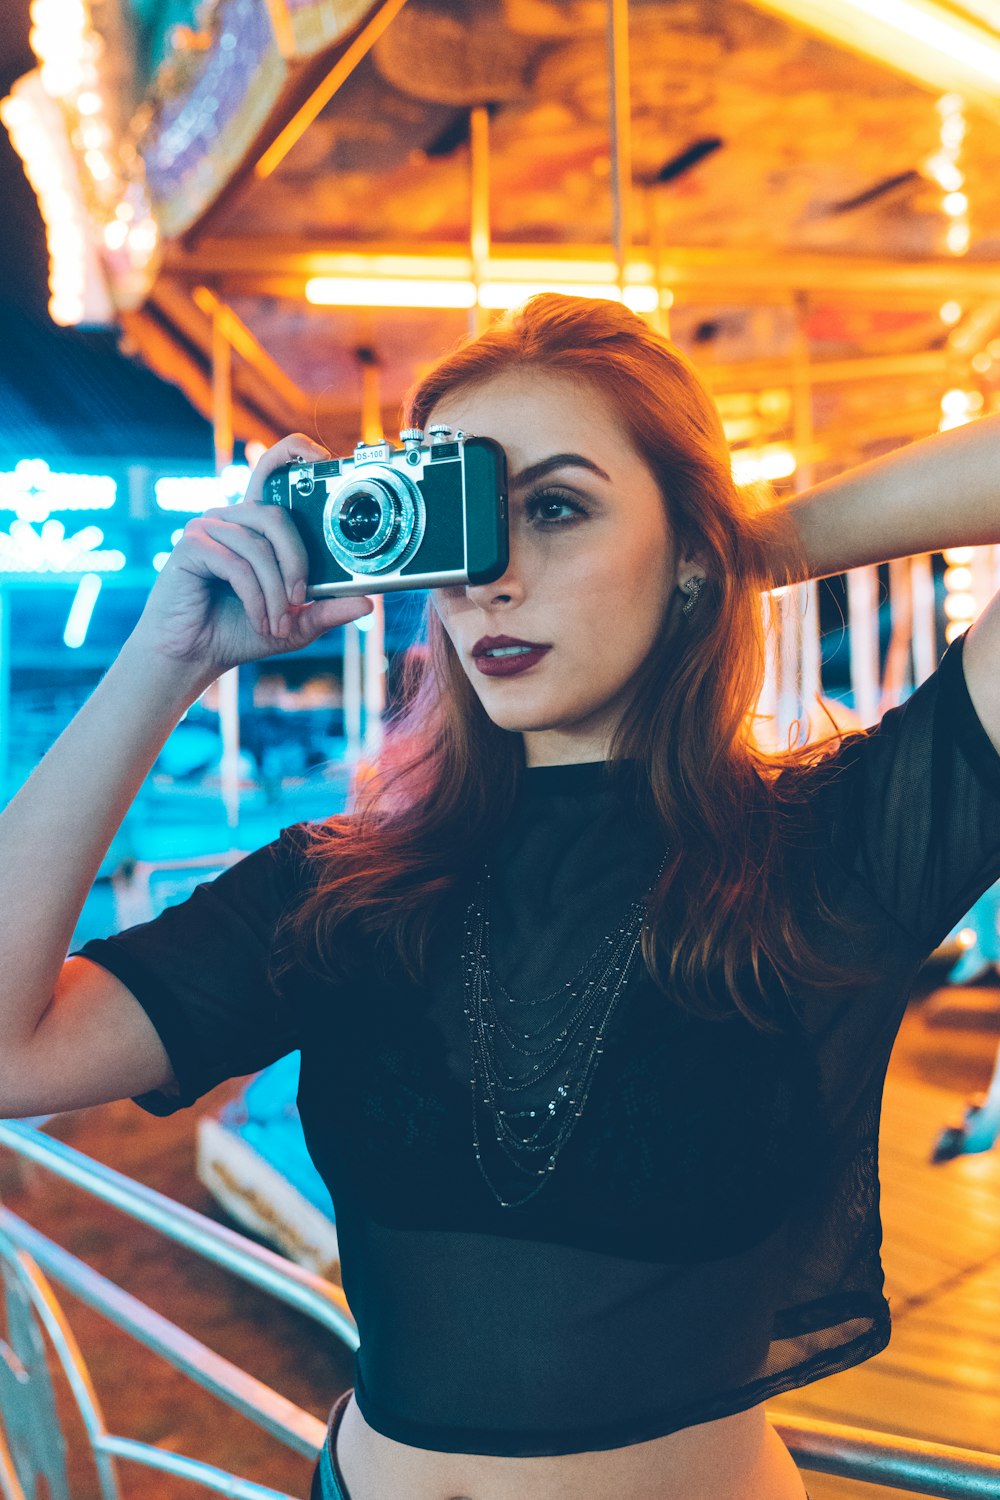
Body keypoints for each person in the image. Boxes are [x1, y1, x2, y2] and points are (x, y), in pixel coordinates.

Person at [1, 294, 999, 1500]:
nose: (491, 578)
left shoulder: (834, 848)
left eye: (554, 509)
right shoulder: (344, 889)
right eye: (456, 523)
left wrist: (742, 551)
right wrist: (164, 663)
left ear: (688, 546)